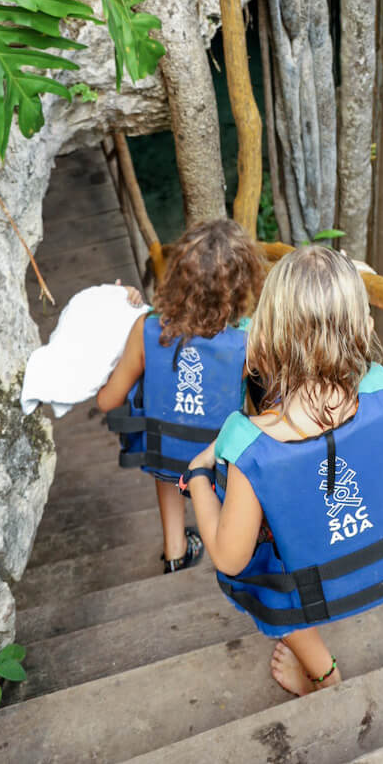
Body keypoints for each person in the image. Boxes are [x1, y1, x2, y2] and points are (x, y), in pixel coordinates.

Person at [182, 246, 383, 696]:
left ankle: (324, 675)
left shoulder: (248, 443)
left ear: (265, 337)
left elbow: (229, 559)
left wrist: (197, 476)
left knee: (254, 561)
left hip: (309, 584)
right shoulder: (379, 386)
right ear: (362, 329)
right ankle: (321, 677)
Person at [97, 219, 264, 573]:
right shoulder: (248, 339)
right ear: (241, 287)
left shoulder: (147, 328)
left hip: (161, 450)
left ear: (178, 276)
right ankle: (228, 540)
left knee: (168, 450)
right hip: (216, 458)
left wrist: (114, 316)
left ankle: (175, 550)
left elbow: (107, 402)